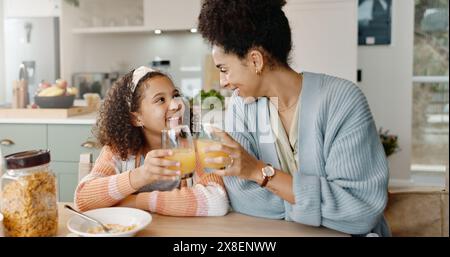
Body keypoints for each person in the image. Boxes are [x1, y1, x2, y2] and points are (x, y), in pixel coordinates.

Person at [197, 0, 390, 236]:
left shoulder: (342, 101)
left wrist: (259, 173)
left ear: (256, 60)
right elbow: (241, 196)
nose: (222, 82)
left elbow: (360, 212)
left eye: (224, 69)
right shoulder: (242, 106)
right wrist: (315, 204)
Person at [74, 66, 228, 217]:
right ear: (136, 118)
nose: (176, 105)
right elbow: (82, 199)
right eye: (161, 100)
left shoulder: (193, 149)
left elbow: (217, 201)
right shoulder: (118, 151)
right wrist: (142, 174)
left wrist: (136, 202)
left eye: (175, 95)